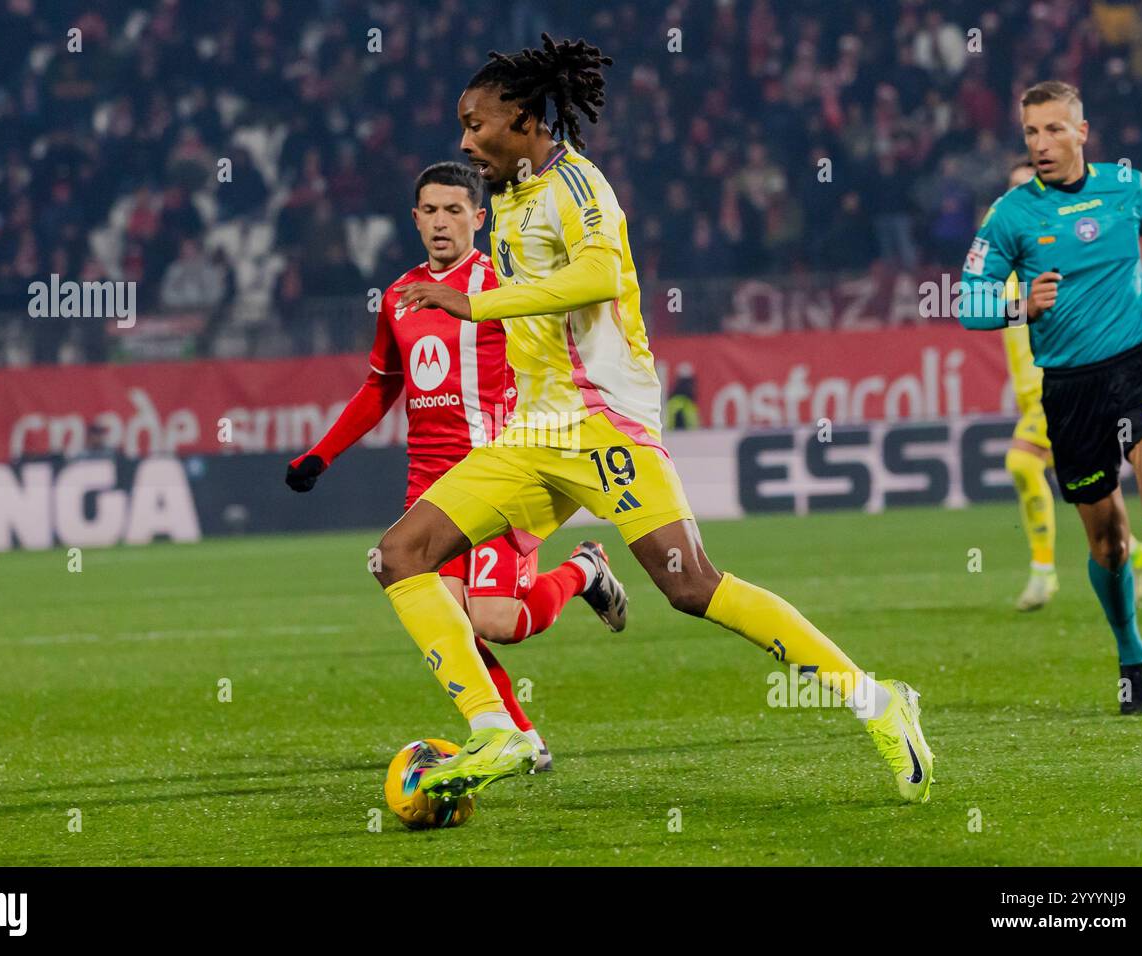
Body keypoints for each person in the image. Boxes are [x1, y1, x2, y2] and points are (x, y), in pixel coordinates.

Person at [379, 35, 934, 804]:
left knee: (690, 586)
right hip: (533, 435)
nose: (466, 141)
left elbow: (601, 274)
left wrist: (475, 302)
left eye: (478, 124)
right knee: (401, 553)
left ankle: (876, 698)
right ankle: (499, 731)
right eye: (463, 126)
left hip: (604, 424)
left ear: (527, 118)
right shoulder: (505, 196)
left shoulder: (578, 185)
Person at [286, 161, 632, 771]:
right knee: (452, 622)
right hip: (431, 486)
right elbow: (379, 387)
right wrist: (321, 453)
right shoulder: (398, 296)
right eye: (430, 210)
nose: (442, 222)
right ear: (414, 219)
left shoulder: (505, 281)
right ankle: (522, 737)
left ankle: (584, 569)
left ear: (480, 217)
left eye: (455, 210)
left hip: (503, 473)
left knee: (497, 620)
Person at [959, 81, 1142, 713]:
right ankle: (1131, 656)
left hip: (1139, 367)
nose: (1042, 143)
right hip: (1070, 389)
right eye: (1031, 132)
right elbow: (967, 301)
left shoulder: (1130, 188)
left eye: (1055, 130)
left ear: (1083, 132)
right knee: (1108, 542)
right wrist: (1018, 304)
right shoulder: (1010, 215)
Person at [998, 160, 1142, 612]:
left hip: (1067, 388)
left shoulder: (1058, 255)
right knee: (1087, 498)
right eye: (1012, 190)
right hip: (1037, 397)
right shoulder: (1005, 257)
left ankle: (1044, 573)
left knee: (1022, 464)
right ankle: (1136, 555)